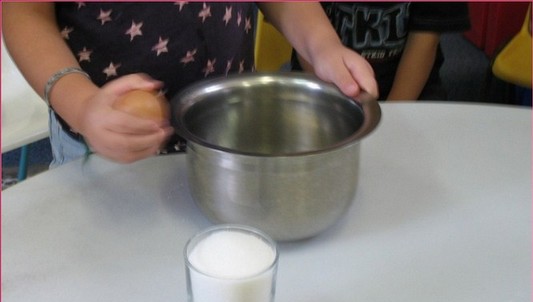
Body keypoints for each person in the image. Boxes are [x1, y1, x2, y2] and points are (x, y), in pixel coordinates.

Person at [2, 2, 378, 166]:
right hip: (107, 152)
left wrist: (321, 44)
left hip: (229, 139)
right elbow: (24, 14)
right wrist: (82, 106)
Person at [292, 2, 470, 101]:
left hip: (409, 87)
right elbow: (303, 31)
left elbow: (424, 43)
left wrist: (392, 112)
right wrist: (338, 106)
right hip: (321, 86)